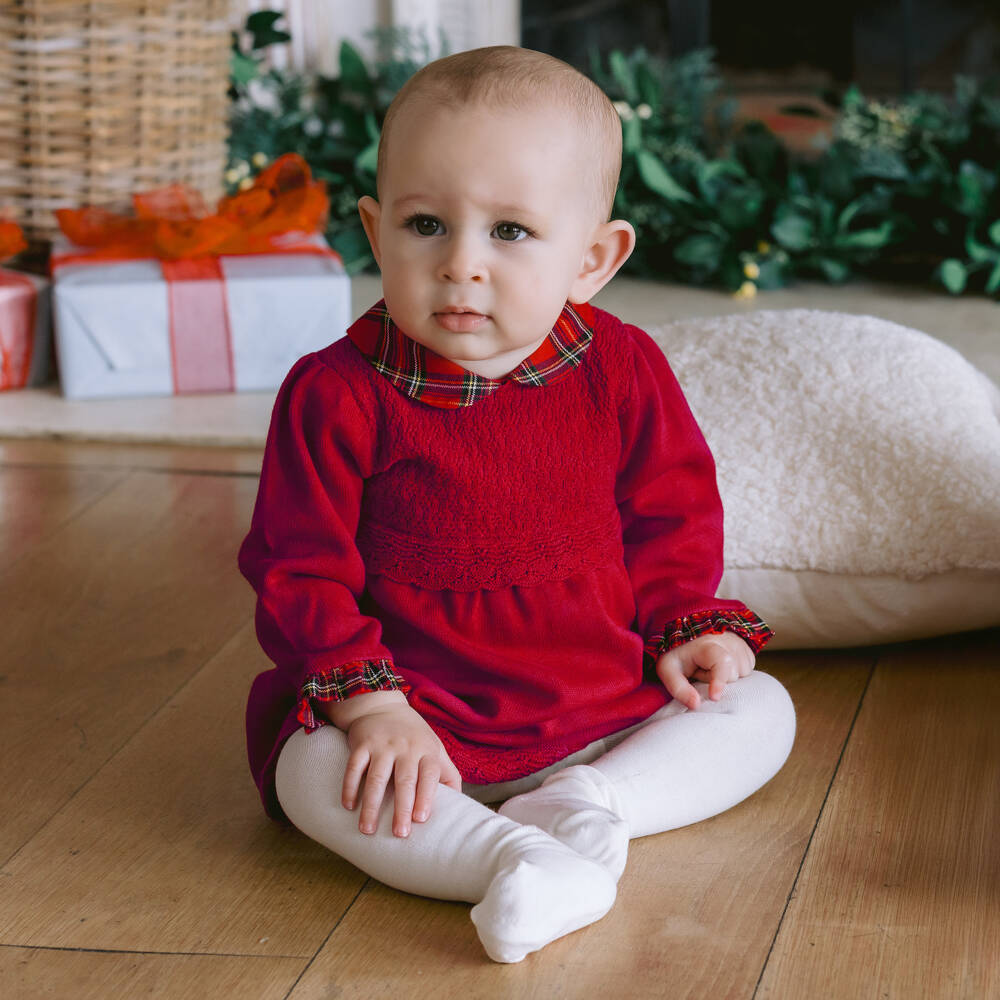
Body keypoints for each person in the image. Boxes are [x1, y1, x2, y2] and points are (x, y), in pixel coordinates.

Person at [238, 44, 796, 964]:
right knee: (312, 775)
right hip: (424, 720)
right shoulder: (336, 394)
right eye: (425, 224)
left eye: (510, 231)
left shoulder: (621, 368)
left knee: (761, 710)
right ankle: (513, 860)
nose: (461, 264)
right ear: (375, 233)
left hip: (608, 705)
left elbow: (670, 515)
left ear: (593, 259)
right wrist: (372, 707)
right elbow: (299, 568)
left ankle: (588, 805)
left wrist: (684, 626)